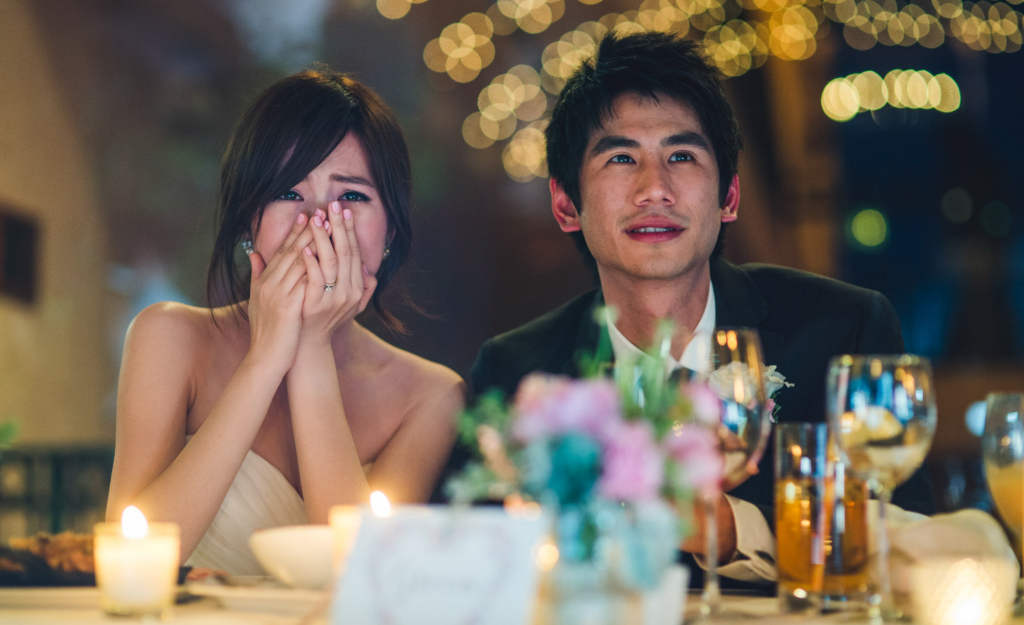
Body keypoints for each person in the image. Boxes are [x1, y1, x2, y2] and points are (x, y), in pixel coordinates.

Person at [469, 32, 935, 585]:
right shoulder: (518, 372)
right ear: (566, 205)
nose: (655, 189)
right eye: (621, 158)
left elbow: (921, 547)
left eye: (682, 156)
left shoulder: (842, 330)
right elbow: (484, 573)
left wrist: (735, 530)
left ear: (729, 198)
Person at [106, 69, 465, 575]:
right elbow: (131, 564)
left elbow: (363, 582)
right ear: (249, 221)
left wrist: (311, 349)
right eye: (289, 194)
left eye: (352, 197)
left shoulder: (430, 396)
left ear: (389, 231)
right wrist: (265, 360)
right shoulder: (168, 337)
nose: (318, 221)